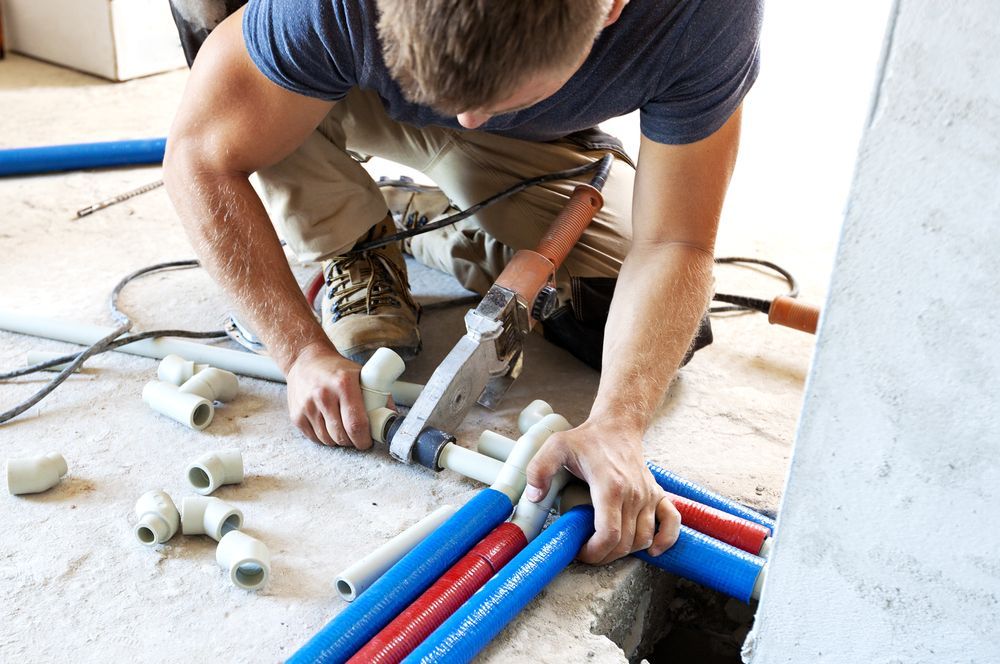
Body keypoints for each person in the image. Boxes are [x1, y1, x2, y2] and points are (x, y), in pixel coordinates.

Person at [163, 0, 763, 565]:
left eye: (492, 96)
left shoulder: (702, 16)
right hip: (339, 86)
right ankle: (352, 236)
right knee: (236, 79)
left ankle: (424, 217)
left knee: (626, 318)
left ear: (610, 8)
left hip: (525, 132)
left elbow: (676, 243)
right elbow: (199, 155)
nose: (466, 119)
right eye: (460, 101)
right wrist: (298, 354)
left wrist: (619, 422)